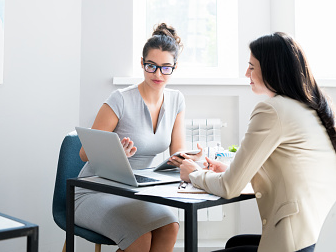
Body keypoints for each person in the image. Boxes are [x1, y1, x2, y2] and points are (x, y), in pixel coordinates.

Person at [178, 32, 336, 252]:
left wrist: (194, 173)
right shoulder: (310, 109)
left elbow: (228, 187)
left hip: (294, 245)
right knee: (236, 243)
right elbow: (288, 175)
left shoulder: (272, 110)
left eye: (251, 67)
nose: (246, 73)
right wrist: (227, 170)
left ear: (272, 69)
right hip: (318, 240)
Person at [75, 23, 202, 252]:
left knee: (170, 226)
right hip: (96, 190)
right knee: (139, 236)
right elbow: (84, 153)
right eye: (151, 66)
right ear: (142, 64)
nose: (157, 74)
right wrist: (114, 154)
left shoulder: (176, 100)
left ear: (174, 67)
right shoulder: (120, 99)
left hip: (136, 191)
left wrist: (189, 159)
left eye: (165, 68)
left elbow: (177, 154)